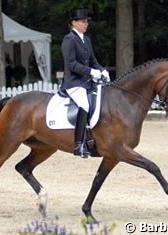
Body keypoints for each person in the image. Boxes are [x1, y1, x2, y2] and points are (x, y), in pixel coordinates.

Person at [60, 9, 110, 158]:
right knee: (85, 105)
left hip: (87, 82)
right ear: (74, 23)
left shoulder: (86, 40)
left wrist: (102, 70)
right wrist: (90, 72)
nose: (86, 24)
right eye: (83, 21)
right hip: (74, 82)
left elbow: (93, 61)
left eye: (87, 21)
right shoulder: (69, 39)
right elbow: (71, 64)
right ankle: (79, 144)